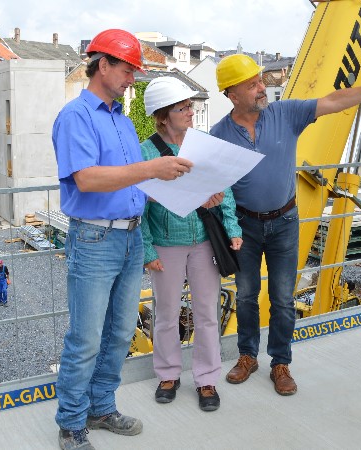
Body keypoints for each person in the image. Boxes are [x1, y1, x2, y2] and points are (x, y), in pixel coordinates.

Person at [210, 54, 361, 396]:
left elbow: (334, 101)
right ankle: (247, 357)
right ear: (232, 94)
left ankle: (280, 363)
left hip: (285, 223)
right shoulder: (218, 134)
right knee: (245, 297)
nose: (262, 88)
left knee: (283, 298)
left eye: (261, 81)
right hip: (244, 226)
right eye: (253, 84)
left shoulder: (285, 113)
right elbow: (211, 183)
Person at [51, 29, 193, 450]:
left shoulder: (123, 120)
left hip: (131, 239)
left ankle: (101, 407)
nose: (133, 78)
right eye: (128, 69)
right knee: (86, 338)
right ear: (103, 65)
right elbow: (88, 179)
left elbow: (133, 184)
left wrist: (187, 186)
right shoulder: (76, 116)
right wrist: (153, 170)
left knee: (117, 333)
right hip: (95, 239)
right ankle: (71, 423)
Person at [140, 77, 242, 412]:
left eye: (190, 106)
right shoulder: (147, 152)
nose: (190, 112)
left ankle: (207, 378)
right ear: (163, 115)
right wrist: (147, 249)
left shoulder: (203, 144)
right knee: (167, 312)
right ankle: (168, 374)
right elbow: (137, 204)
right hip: (166, 244)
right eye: (182, 108)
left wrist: (231, 228)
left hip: (203, 243)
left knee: (207, 313)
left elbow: (222, 190)